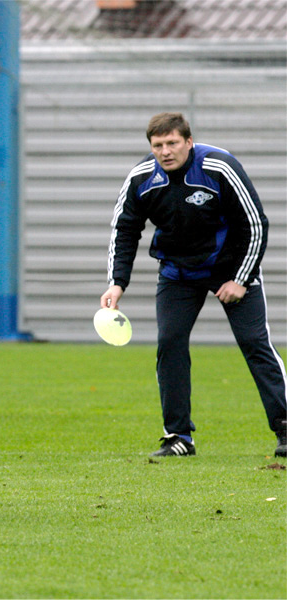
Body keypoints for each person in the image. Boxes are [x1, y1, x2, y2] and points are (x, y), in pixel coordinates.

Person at [101, 112, 287, 458]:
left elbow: (256, 224)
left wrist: (240, 279)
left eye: (172, 143)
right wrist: (116, 283)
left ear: (189, 141)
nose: (165, 151)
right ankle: (178, 437)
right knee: (169, 343)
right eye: (158, 145)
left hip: (231, 269)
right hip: (178, 273)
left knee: (254, 342)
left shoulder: (219, 167)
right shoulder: (142, 178)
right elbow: (124, 230)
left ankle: (285, 427)